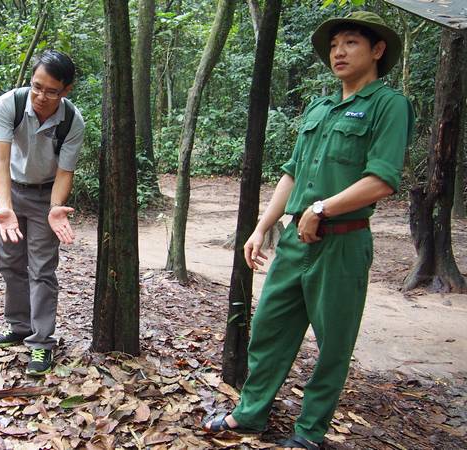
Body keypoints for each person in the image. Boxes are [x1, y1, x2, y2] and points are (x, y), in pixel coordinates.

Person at [202, 11, 414, 450]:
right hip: (296, 241)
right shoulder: (319, 107)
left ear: (377, 51)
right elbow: (292, 174)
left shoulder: (388, 104)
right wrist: (262, 228)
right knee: (269, 329)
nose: (339, 51)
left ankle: (309, 432)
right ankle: (250, 414)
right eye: (335, 44)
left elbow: (383, 178)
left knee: (333, 344)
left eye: (351, 42)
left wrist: (322, 208)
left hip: (343, 241)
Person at [0, 50, 85, 376]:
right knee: (11, 263)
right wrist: (4, 205)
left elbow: (64, 172)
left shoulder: (72, 121)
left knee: (42, 270)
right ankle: (18, 325)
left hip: (46, 197)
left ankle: (42, 342)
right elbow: (0, 159)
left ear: (66, 90)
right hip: (10, 191)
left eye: (51, 90)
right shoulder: (10, 105)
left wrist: (57, 208)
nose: (41, 96)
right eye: (36, 87)